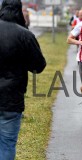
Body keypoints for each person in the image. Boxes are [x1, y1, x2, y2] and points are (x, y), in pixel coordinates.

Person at [0, 0, 46, 159]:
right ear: (19, 10)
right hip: (11, 99)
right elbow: (38, 66)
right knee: (7, 143)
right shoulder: (25, 35)